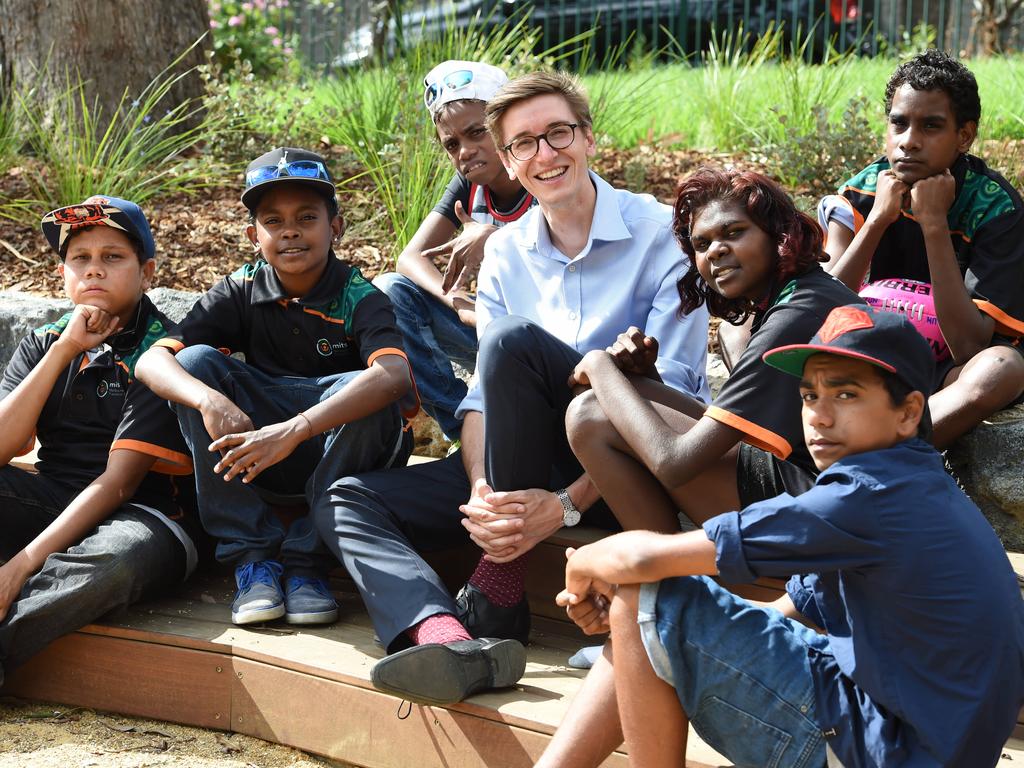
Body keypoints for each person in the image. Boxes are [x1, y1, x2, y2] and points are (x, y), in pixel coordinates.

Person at [313, 71, 710, 705]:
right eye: (524, 143)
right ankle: (445, 635)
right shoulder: (507, 253)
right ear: (507, 159)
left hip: (628, 468)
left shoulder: (662, 233)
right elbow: (481, 401)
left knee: (512, 341)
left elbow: (680, 393)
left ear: (588, 137)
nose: (545, 154)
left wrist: (567, 506)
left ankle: (497, 589)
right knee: (346, 498)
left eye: (558, 133)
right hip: (521, 465)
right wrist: (483, 492)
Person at [560, 304, 1024, 767]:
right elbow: (781, 613)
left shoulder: (866, 497)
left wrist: (584, 567)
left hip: (894, 751)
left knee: (649, 595)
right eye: (809, 396)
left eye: (845, 396)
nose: (819, 417)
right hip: (911, 737)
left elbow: (641, 563)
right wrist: (644, 630)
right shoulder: (912, 482)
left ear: (908, 413)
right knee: (646, 614)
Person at [535, 167, 862, 767]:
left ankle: (664, 593)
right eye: (702, 244)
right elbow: (730, 437)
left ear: (781, 234)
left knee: (590, 414)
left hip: (826, 524)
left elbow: (676, 460)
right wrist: (643, 383)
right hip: (809, 510)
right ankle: (662, 596)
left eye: (734, 232)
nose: (716, 253)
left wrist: (602, 367)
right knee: (604, 412)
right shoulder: (795, 300)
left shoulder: (800, 311)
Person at [135, 147, 416, 627]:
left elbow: (394, 376)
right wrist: (210, 400)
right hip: (257, 457)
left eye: (307, 217)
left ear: (336, 227)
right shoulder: (241, 287)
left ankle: (309, 561)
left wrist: (294, 430)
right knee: (196, 364)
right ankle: (253, 558)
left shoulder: (359, 295)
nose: (290, 231)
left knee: (369, 390)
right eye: (273, 220)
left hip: (336, 454)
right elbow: (150, 362)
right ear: (253, 235)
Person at [0, 196, 198, 686]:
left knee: (114, 560)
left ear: (146, 272)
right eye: (80, 260)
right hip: (53, 498)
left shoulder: (166, 349)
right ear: (64, 272)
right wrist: (65, 349)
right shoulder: (45, 341)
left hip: (148, 517)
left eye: (113, 257)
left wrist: (22, 564)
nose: (94, 271)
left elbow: (117, 486)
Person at [820, 50, 1024, 448]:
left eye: (931, 126)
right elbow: (815, 307)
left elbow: (970, 347)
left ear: (964, 136)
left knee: (1000, 369)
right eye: (899, 123)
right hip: (868, 357)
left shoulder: (997, 209)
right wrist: (878, 219)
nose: (908, 142)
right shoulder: (860, 193)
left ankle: (880, 453)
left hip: (945, 371)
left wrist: (933, 224)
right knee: (740, 329)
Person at [373, 60, 534, 440]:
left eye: (477, 133)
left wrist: (494, 237)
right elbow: (409, 258)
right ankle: (464, 429)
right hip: (486, 327)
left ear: (505, 123)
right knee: (389, 290)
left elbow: (568, 248)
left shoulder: (540, 170)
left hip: (545, 337)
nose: (465, 151)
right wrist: (461, 302)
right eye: (452, 144)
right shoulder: (468, 184)